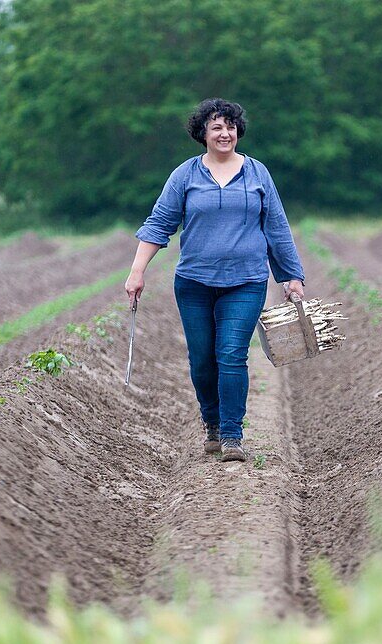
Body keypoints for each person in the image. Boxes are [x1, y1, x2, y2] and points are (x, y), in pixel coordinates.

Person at [125, 98, 306, 462]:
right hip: (194, 283)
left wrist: (292, 276)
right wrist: (137, 270)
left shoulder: (257, 174)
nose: (226, 133)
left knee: (231, 354)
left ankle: (231, 434)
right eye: (217, 127)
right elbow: (160, 223)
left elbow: (276, 227)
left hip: (246, 281)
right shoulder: (186, 175)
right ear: (203, 134)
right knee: (202, 361)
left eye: (231, 126)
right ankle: (210, 422)